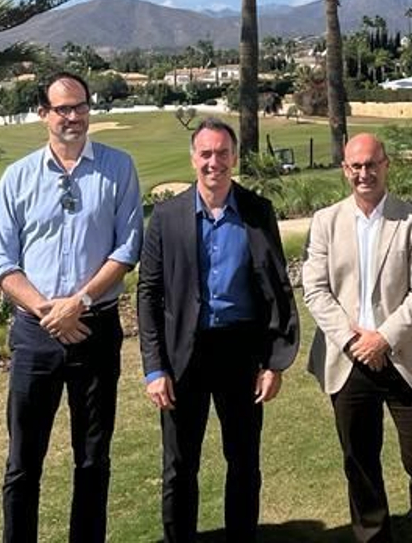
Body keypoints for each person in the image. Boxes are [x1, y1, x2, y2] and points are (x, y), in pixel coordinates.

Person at [0, 71, 143, 543]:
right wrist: (48, 311)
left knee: (92, 458)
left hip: (94, 327)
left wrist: (80, 301)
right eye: (62, 109)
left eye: (80, 106)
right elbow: (1, 261)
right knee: (23, 461)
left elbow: (127, 247)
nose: (73, 116)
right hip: (35, 335)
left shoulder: (118, 167)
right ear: (43, 114)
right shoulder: (18, 177)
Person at [137, 118, 299, 542]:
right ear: (193, 158)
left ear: (234, 157)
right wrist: (154, 368)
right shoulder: (167, 217)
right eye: (206, 154)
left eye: (223, 153)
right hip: (183, 355)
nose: (215, 162)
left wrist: (274, 362)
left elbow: (277, 290)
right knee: (179, 466)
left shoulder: (257, 211)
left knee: (243, 462)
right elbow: (149, 294)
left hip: (240, 352)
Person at [302, 132, 412, 543]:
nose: (364, 173)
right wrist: (354, 343)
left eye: (371, 164)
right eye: (356, 166)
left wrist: (382, 339)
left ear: (386, 165)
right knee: (360, 463)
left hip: (403, 357)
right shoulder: (326, 222)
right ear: (345, 170)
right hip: (347, 360)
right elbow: (315, 290)